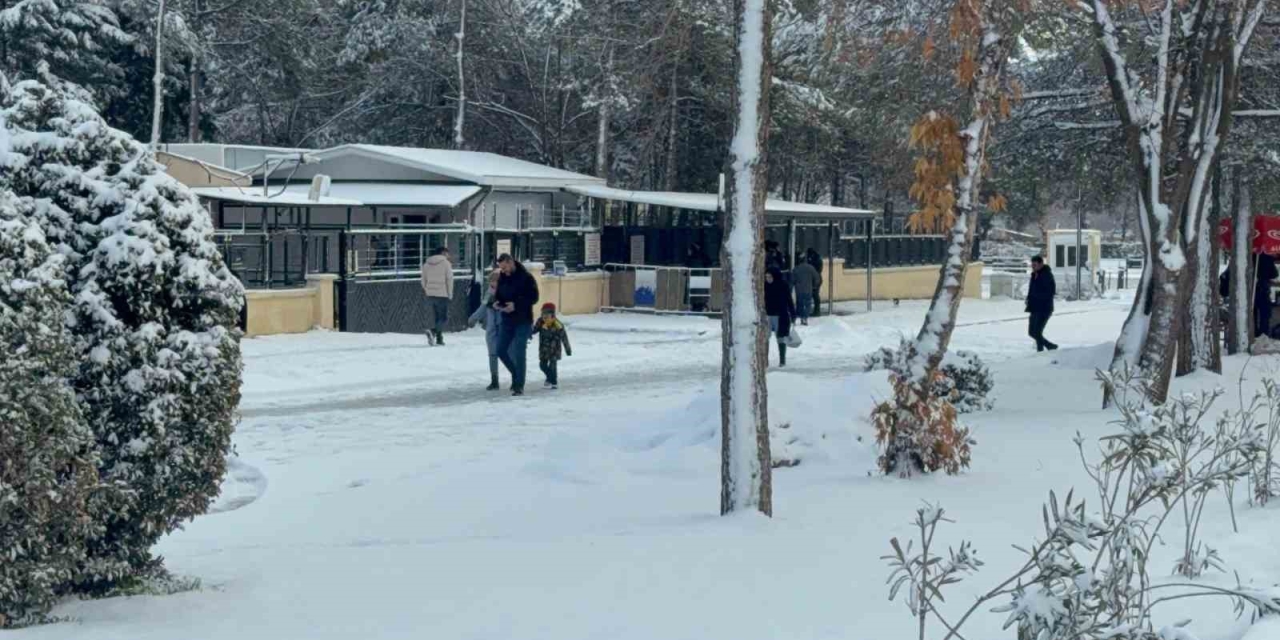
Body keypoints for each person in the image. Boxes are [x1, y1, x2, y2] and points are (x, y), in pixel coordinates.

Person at [493, 254, 540, 396]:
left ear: (511, 262)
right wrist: (497, 302)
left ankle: (519, 385)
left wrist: (516, 304)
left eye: (505, 267)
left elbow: (534, 297)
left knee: (520, 353)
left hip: (522, 320)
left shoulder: (526, 278)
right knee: (500, 350)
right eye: (501, 268)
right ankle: (516, 374)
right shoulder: (502, 277)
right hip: (506, 319)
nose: (504, 271)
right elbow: (499, 295)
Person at [468, 270, 504, 390]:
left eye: (495, 281)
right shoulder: (488, 293)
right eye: (491, 281)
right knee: (492, 354)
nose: (493, 284)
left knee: (508, 354)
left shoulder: (506, 293)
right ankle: (494, 380)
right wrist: (473, 318)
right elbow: (483, 307)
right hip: (491, 329)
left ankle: (516, 378)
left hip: (504, 327)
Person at [532, 303, 572, 389]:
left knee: (553, 365)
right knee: (542, 365)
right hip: (543, 349)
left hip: (554, 349)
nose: (545, 315)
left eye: (547, 313)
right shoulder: (540, 321)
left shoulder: (557, 324)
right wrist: (527, 332)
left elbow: (564, 337)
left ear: (552, 314)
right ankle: (550, 378)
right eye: (543, 313)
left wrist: (568, 349)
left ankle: (553, 381)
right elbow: (534, 330)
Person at [420, 246, 454, 346]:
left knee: (437, 318)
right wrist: (450, 294)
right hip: (442, 294)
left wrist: (427, 289)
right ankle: (433, 331)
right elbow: (449, 280)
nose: (448, 255)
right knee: (443, 318)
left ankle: (439, 339)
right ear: (443, 253)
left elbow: (423, 280)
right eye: (447, 253)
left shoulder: (426, 264)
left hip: (430, 294)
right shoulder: (446, 263)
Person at [764, 266, 796, 367]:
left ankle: (782, 360)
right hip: (767, 315)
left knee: (780, 338)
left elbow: (789, 300)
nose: (768, 279)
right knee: (765, 338)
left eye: (769, 277)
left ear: (775, 276)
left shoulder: (783, 285)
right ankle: (765, 361)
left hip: (780, 316)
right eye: (766, 277)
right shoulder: (764, 286)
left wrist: (793, 313)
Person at [1026, 255, 1058, 352]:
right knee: (1032, 332)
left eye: (1035, 265)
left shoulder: (1046, 275)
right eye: (1032, 265)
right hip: (1034, 307)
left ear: (1041, 264)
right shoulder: (1034, 275)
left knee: (1037, 332)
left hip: (1044, 308)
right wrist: (1029, 298)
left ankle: (1043, 350)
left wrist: (1036, 296)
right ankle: (1048, 347)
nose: (1033, 267)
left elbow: (1050, 292)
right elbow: (1032, 289)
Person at [790, 256, 821, 326]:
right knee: (807, 304)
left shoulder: (796, 269)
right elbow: (816, 277)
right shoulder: (811, 268)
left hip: (799, 290)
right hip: (808, 289)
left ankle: (801, 317)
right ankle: (805, 318)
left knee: (800, 304)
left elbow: (792, 280)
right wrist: (815, 286)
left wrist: (790, 289)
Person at [806, 248, 824, 318]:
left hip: (815, 279)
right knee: (815, 295)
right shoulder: (817, 258)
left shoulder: (814, 259)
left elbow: (817, 269)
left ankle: (817, 311)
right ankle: (816, 311)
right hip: (817, 278)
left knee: (815, 295)